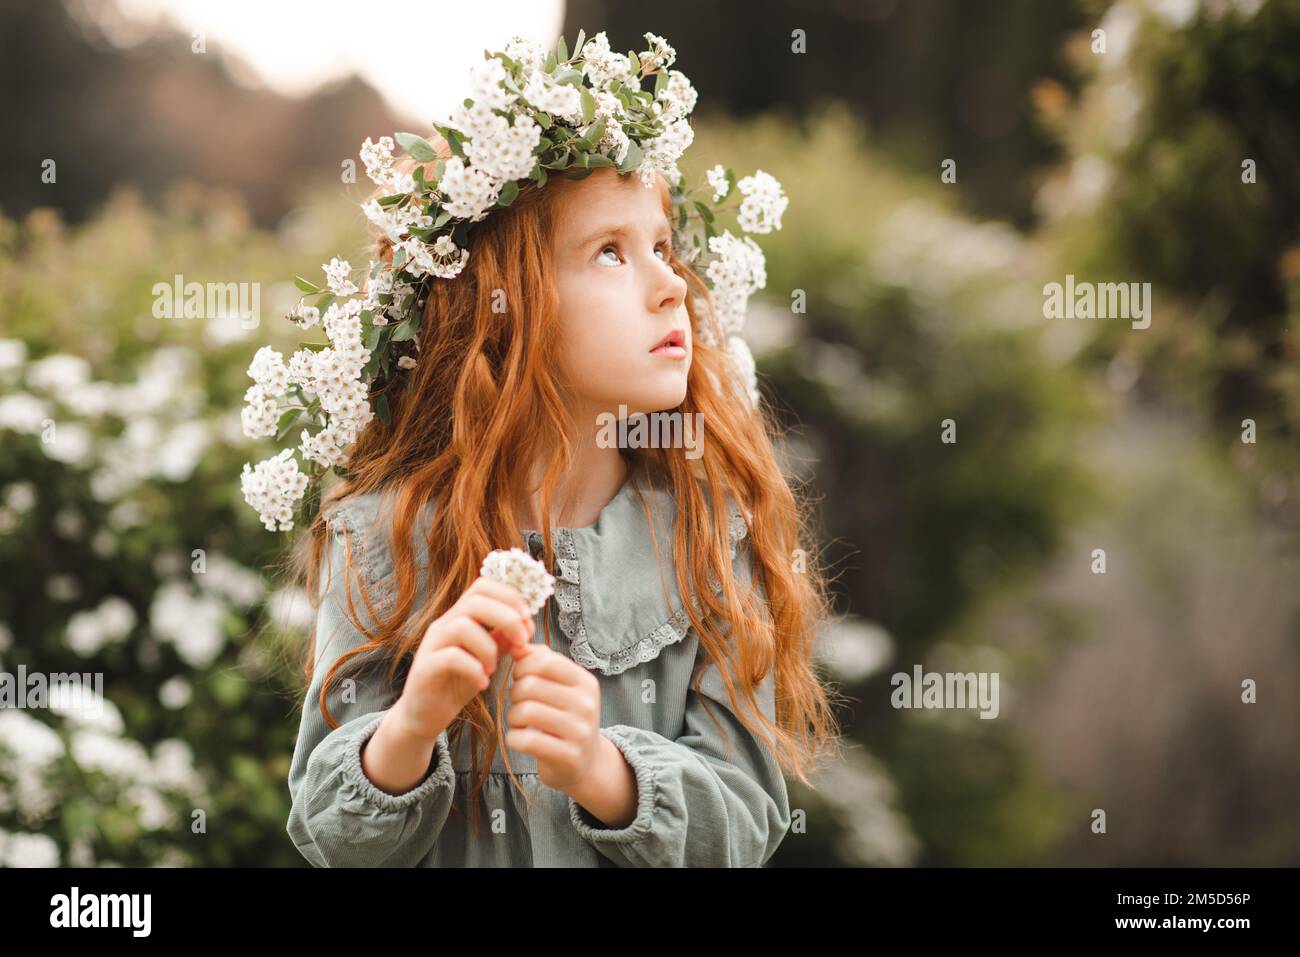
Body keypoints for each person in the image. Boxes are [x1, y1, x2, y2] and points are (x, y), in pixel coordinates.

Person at [264, 32, 842, 867]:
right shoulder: (387, 533)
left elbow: (747, 822)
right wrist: (411, 725)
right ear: (505, 303)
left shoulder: (707, 536)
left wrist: (602, 770)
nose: (671, 282)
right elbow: (327, 833)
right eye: (610, 251)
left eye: (662, 246)